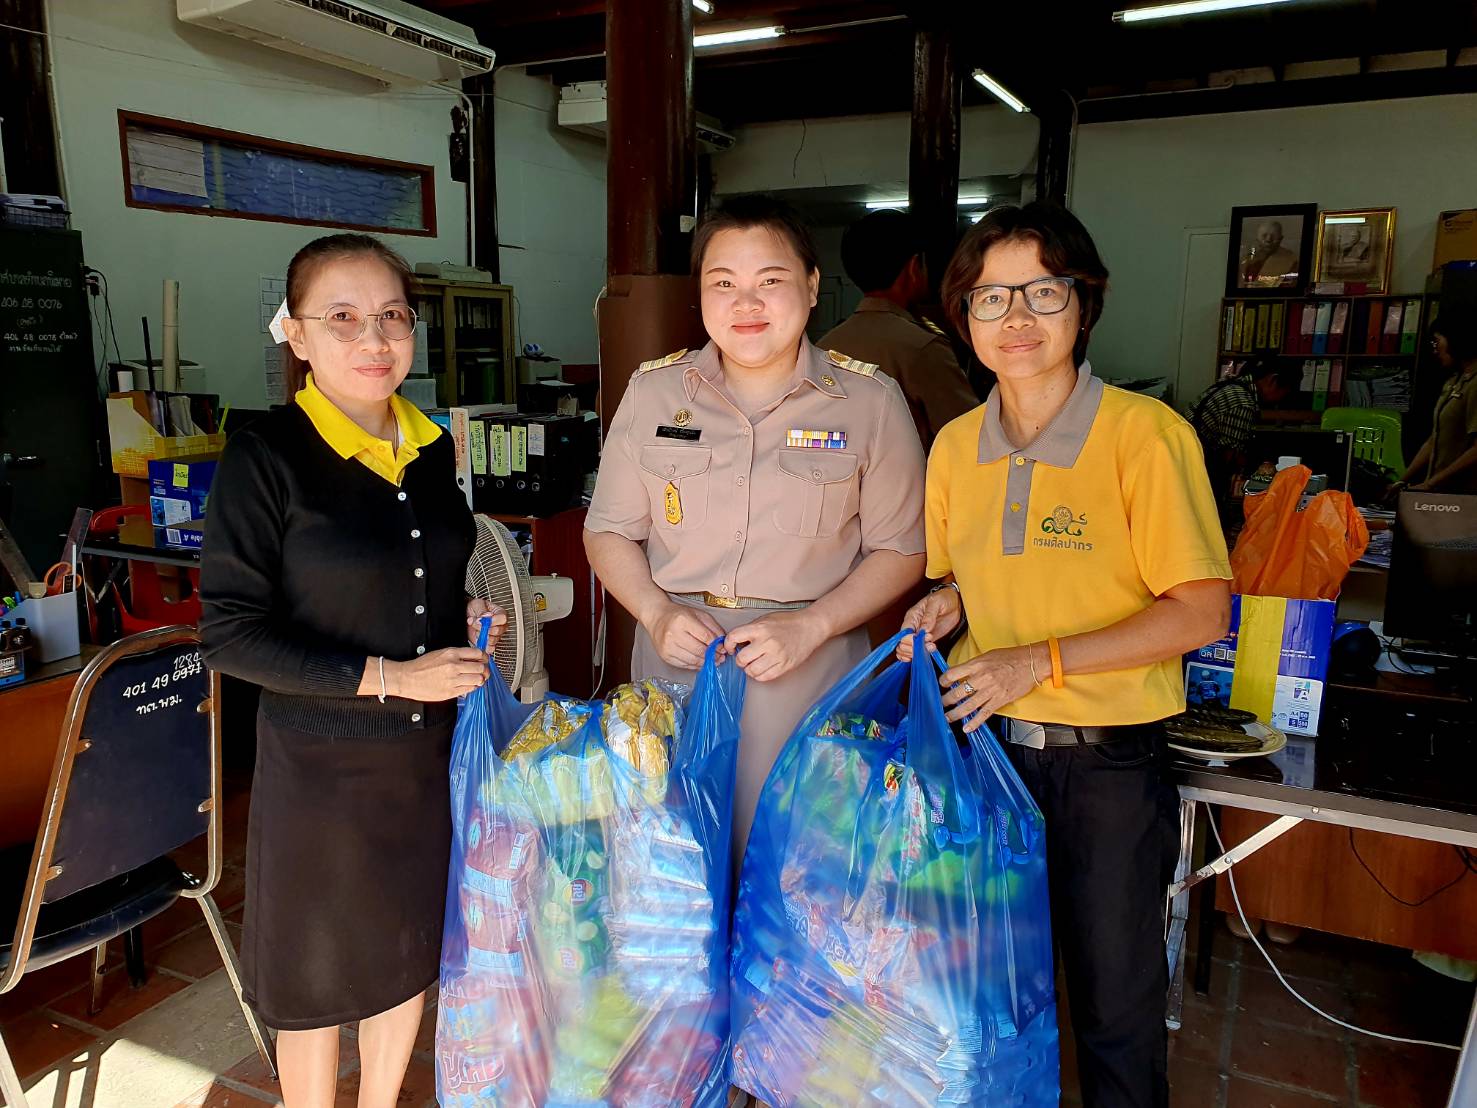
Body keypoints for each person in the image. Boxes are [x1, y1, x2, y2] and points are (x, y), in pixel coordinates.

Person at [899, 201, 1232, 1108]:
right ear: (960, 318)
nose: (1014, 319)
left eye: (1041, 293)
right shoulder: (954, 447)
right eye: (987, 297)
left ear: (1085, 303)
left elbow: (1201, 611)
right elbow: (969, 574)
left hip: (1106, 770)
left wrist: (1032, 662)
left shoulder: (1145, 436)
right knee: (987, 991)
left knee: (1113, 1006)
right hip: (984, 756)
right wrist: (947, 602)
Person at [200, 233, 506, 1108]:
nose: (374, 340)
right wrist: (393, 678)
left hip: (425, 760)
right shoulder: (267, 456)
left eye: (391, 318)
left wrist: (465, 618)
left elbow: (425, 576)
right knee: (315, 975)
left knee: (406, 951)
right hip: (323, 769)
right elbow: (229, 636)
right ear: (295, 336)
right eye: (342, 319)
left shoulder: (432, 446)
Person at [583, 194, 926, 858]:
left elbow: (901, 550)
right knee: (671, 871)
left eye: (769, 282)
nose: (746, 304)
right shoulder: (655, 392)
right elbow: (607, 531)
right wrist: (654, 613)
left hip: (810, 671)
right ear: (701, 295)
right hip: (676, 664)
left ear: (812, 286)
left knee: (800, 870)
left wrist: (812, 626)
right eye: (723, 284)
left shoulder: (868, 402)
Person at [819, 208, 979, 452]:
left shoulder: (823, 346)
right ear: (915, 267)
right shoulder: (922, 347)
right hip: (910, 485)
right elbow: (969, 435)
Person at [1188, 357, 1297, 503]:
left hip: (1186, 457)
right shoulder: (1243, 403)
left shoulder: (1230, 384)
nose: (1282, 399)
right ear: (1273, 381)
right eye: (1285, 392)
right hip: (1197, 467)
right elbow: (1230, 456)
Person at [1389, 315, 1477, 495]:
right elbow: (1434, 440)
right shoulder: (1455, 381)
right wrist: (1402, 481)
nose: (1435, 350)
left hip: (1464, 496)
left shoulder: (1475, 384)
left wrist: (1431, 483)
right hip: (1440, 492)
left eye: (1437, 342)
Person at [1241, 220, 1298, 287]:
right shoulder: (1247, 260)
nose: (1268, 239)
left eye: (1273, 236)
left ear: (1281, 238)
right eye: (1264, 236)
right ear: (1257, 238)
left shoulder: (1291, 260)